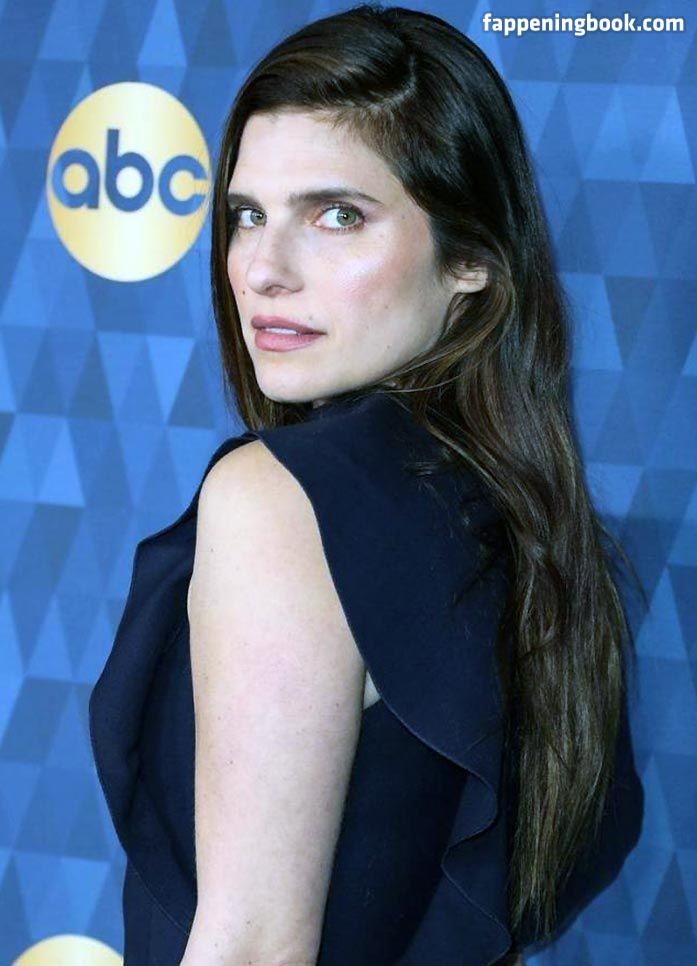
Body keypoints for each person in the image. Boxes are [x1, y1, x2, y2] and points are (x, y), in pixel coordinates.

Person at [88, 4, 645, 964]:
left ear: (471, 259)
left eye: (336, 215)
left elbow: (254, 947)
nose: (262, 269)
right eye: (247, 215)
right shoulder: (515, 512)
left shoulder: (281, 501)